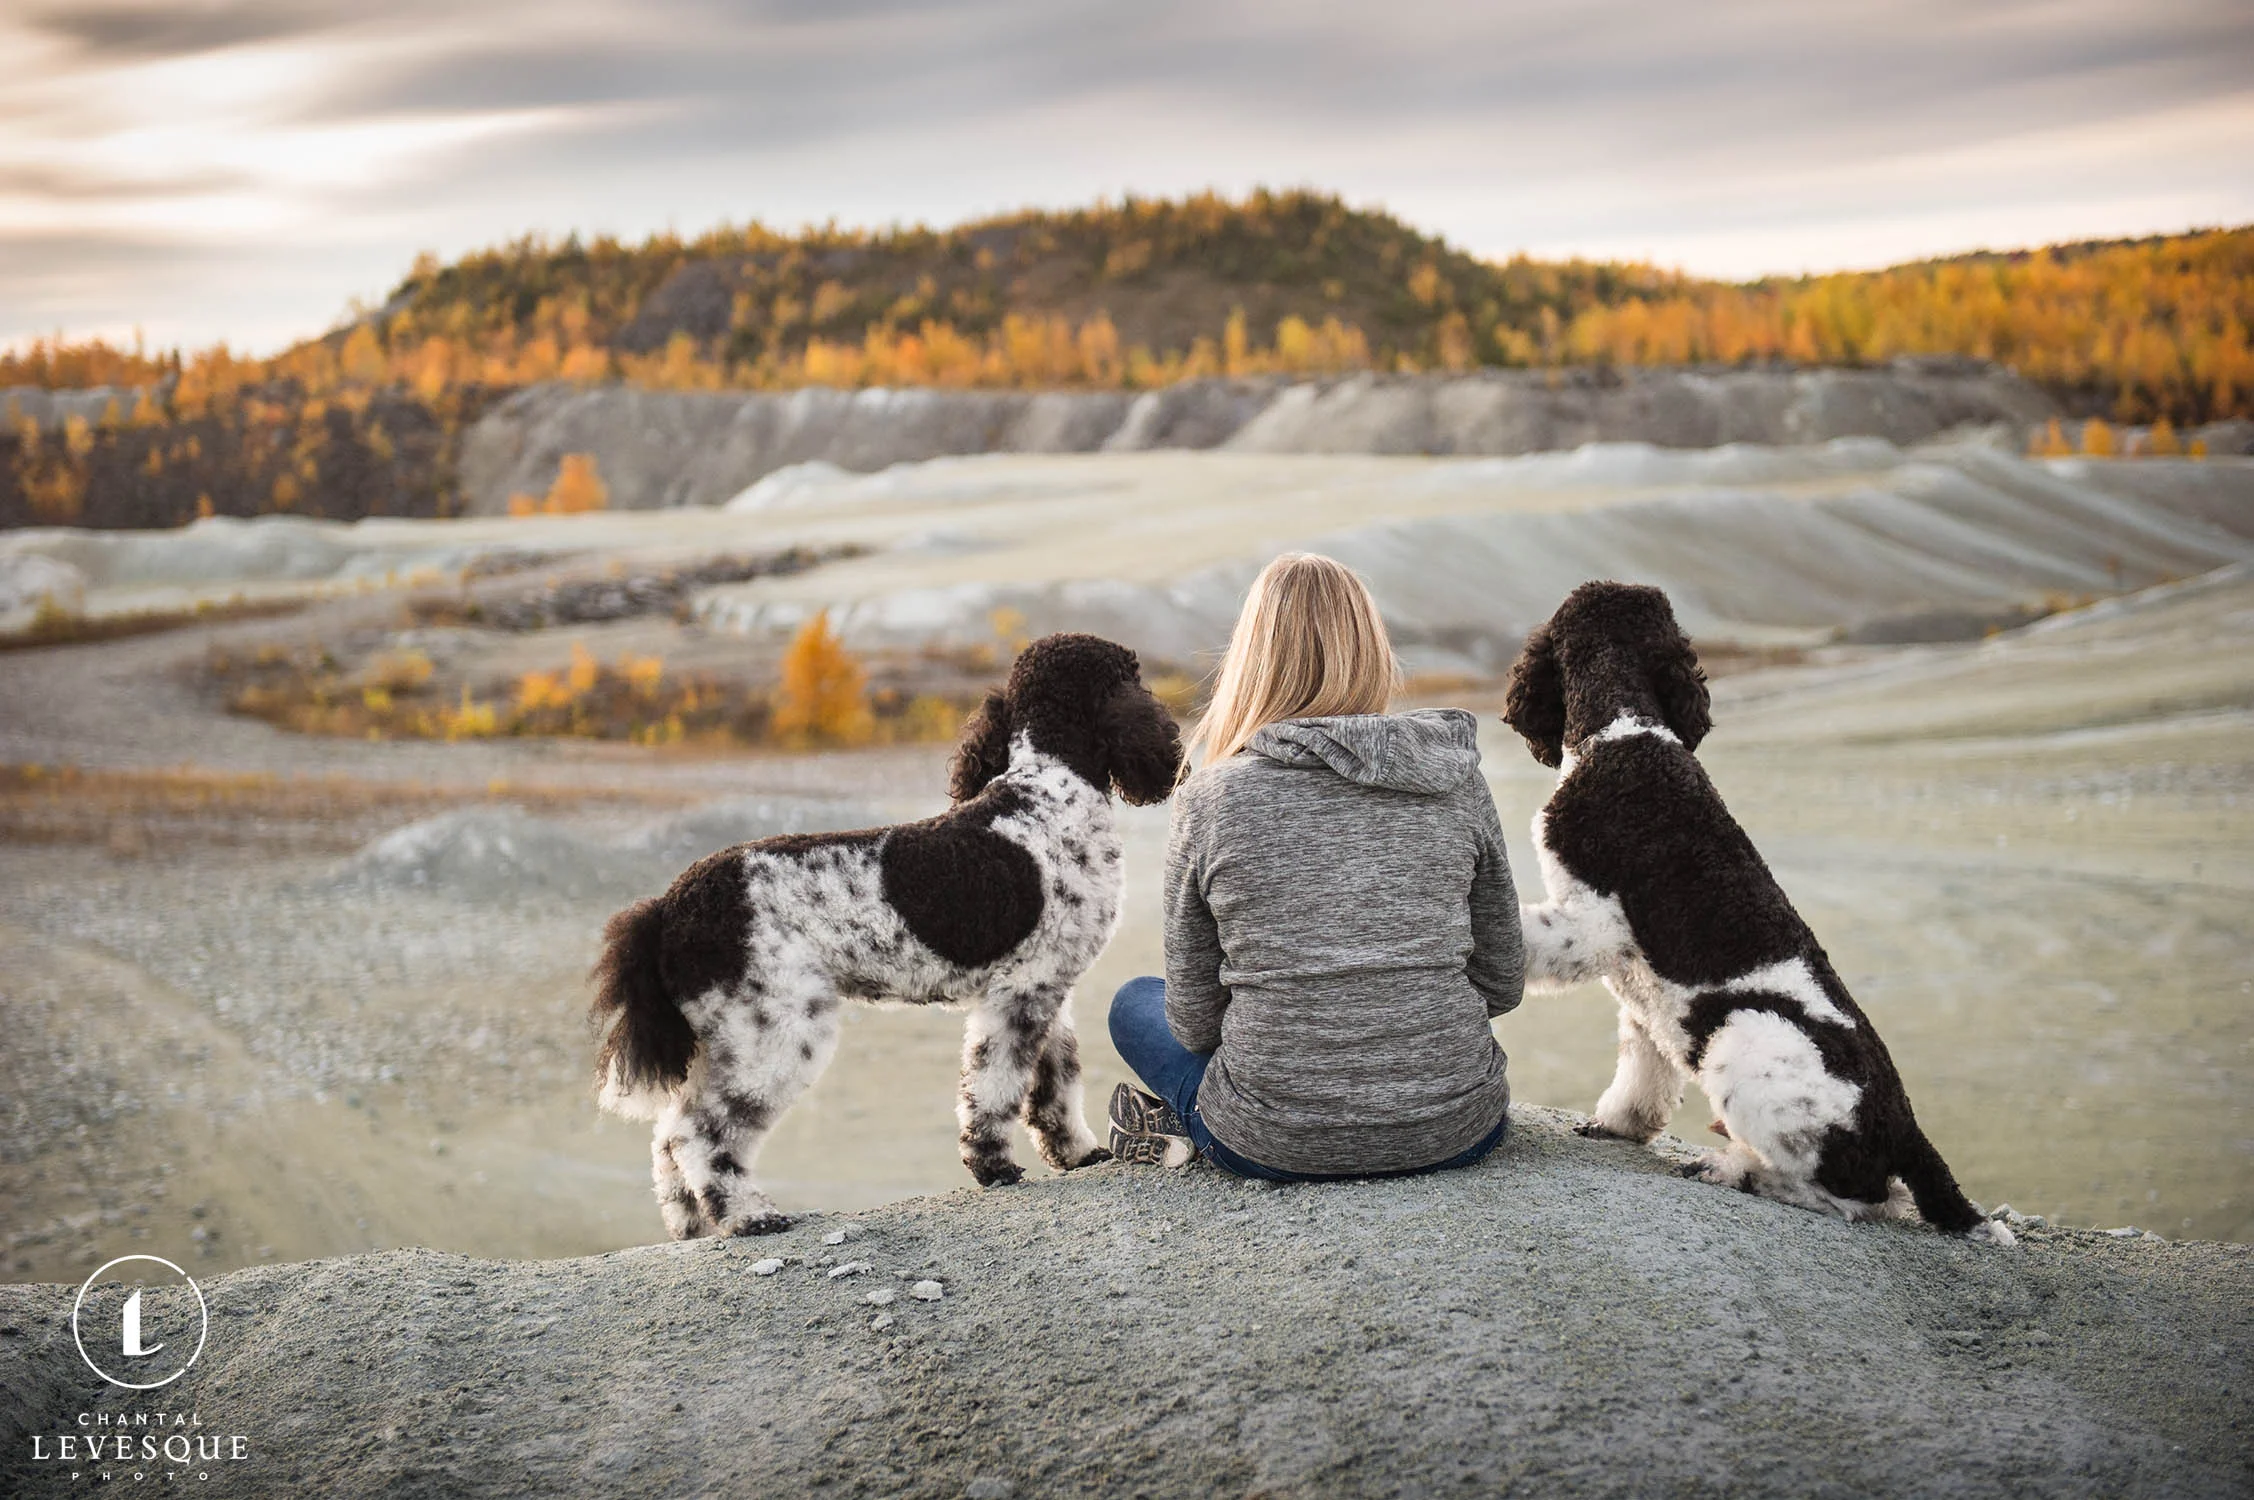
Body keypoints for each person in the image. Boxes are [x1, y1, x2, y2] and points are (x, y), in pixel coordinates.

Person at [1106, 551, 1524, 1181]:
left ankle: (1183, 1126)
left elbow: (1193, 1021)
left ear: (1253, 660)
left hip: (1275, 1140)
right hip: (1459, 1125)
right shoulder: (1452, 776)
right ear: (1372, 649)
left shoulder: (1211, 798)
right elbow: (1503, 982)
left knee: (1134, 1003)